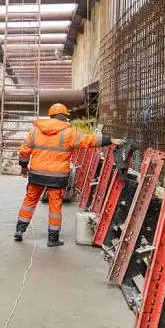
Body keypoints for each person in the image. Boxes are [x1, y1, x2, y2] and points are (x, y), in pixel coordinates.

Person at [15, 103, 116, 247]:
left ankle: (19, 231)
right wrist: (109, 140)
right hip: (57, 177)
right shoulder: (68, 133)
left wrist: (24, 167)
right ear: (64, 117)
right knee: (55, 207)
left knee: (29, 202)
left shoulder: (35, 131)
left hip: (37, 174)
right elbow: (88, 140)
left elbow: (25, 150)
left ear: (50, 116)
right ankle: (52, 239)